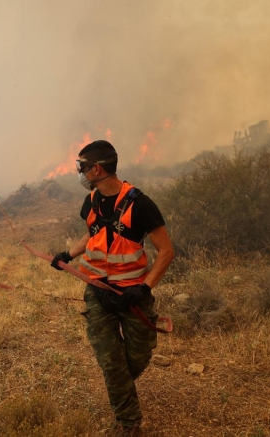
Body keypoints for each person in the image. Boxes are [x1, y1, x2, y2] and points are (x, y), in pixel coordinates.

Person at [50, 140, 174, 436]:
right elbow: (92, 236)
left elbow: (166, 251)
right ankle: (128, 424)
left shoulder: (140, 204)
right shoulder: (90, 201)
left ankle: (120, 389)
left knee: (138, 357)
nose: (80, 173)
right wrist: (67, 255)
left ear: (97, 169)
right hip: (97, 292)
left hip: (132, 295)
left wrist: (143, 289)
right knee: (111, 361)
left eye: (82, 167)